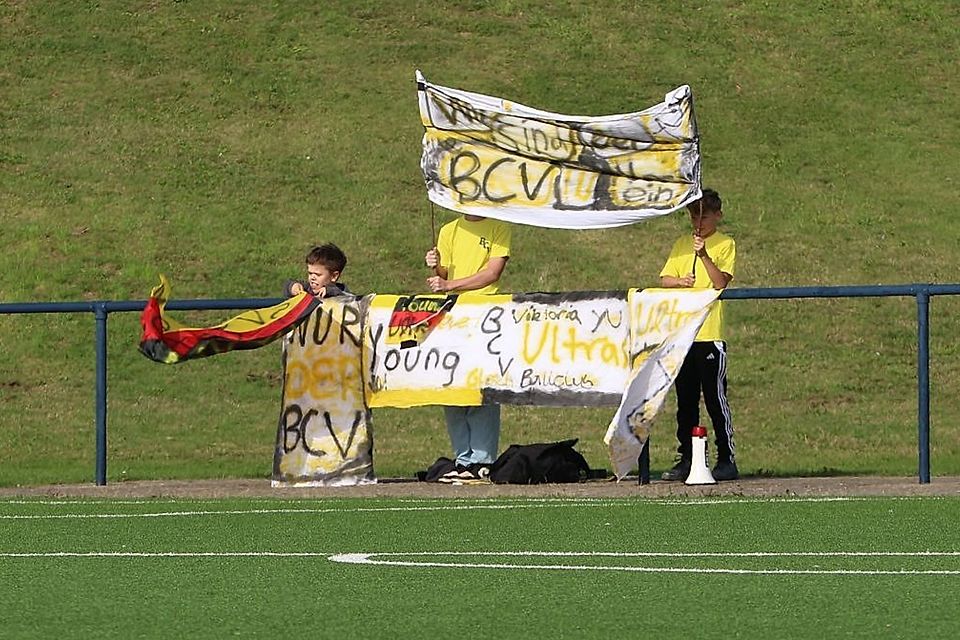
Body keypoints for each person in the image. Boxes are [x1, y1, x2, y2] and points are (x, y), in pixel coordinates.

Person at [659, 188, 739, 481]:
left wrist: (704, 255)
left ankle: (726, 456)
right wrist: (680, 282)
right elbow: (665, 279)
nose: (699, 222)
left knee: (716, 399)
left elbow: (720, 283)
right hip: (684, 336)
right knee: (686, 401)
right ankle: (688, 457)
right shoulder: (681, 244)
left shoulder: (725, 244)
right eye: (694, 215)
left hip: (709, 334)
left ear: (717, 216)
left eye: (704, 216)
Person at [424, 213, 512, 481]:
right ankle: (463, 458)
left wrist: (449, 284)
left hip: (485, 314)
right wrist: (437, 268)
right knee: (452, 386)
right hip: (453, 315)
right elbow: (444, 274)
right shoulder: (449, 230)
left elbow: (491, 272)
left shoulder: (499, 225)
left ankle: (482, 459)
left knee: (481, 386)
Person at [283, 243, 350, 299]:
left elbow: (347, 298)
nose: (312, 278)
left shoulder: (341, 291)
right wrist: (293, 287)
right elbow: (287, 284)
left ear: (334, 276)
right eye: (310, 273)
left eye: (318, 275)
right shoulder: (308, 288)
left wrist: (329, 291)